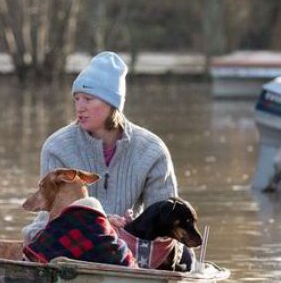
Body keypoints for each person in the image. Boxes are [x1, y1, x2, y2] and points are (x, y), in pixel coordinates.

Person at [22, 51, 178, 245]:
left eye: (88, 99)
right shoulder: (56, 147)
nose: (80, 107)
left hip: (127, 245)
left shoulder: (153, 151)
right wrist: (101, 224)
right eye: (76, 99)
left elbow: (165, 224)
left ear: (112, 104)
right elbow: (54, 219)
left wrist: (126, 230)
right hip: (68, 242)